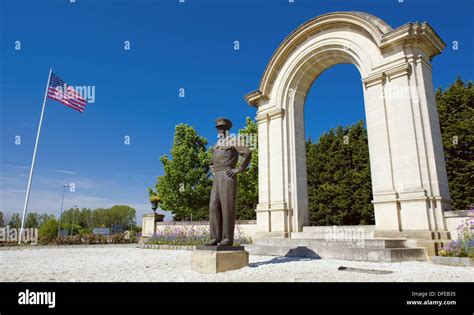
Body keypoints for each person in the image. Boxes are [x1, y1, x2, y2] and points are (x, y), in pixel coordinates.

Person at [205, 118, 251, 246]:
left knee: (227, 207)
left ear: (227, 129)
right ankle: (214, 238)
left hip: (227, 175)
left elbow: (247, 153)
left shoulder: (234, 140)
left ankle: (226, 239)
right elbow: (210, 163)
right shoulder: (216, 145)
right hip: (217, 177)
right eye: (218, 127)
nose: (219, 129)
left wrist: (239, 169)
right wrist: (214, 171)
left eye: (222, 127)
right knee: (213, 207)